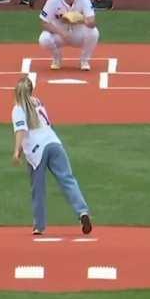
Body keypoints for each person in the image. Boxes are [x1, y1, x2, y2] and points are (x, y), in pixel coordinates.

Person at [12, 75, 92, 236]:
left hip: (37, 151)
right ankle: (82, 211)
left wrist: (16, 152)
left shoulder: (18, 108)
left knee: (38, 188)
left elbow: (21, 131)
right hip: (54, 143)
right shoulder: (39, 102)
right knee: (67, 179)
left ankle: (39, 226)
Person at [39, 0, 100, 71]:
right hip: (59, 34)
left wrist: (80, 19)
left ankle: (84, 60)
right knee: (44, 39)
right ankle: (57, 58)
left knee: (94, 32)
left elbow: (92, 23)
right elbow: (44, 23)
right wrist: (61, 33)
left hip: (77, 34)